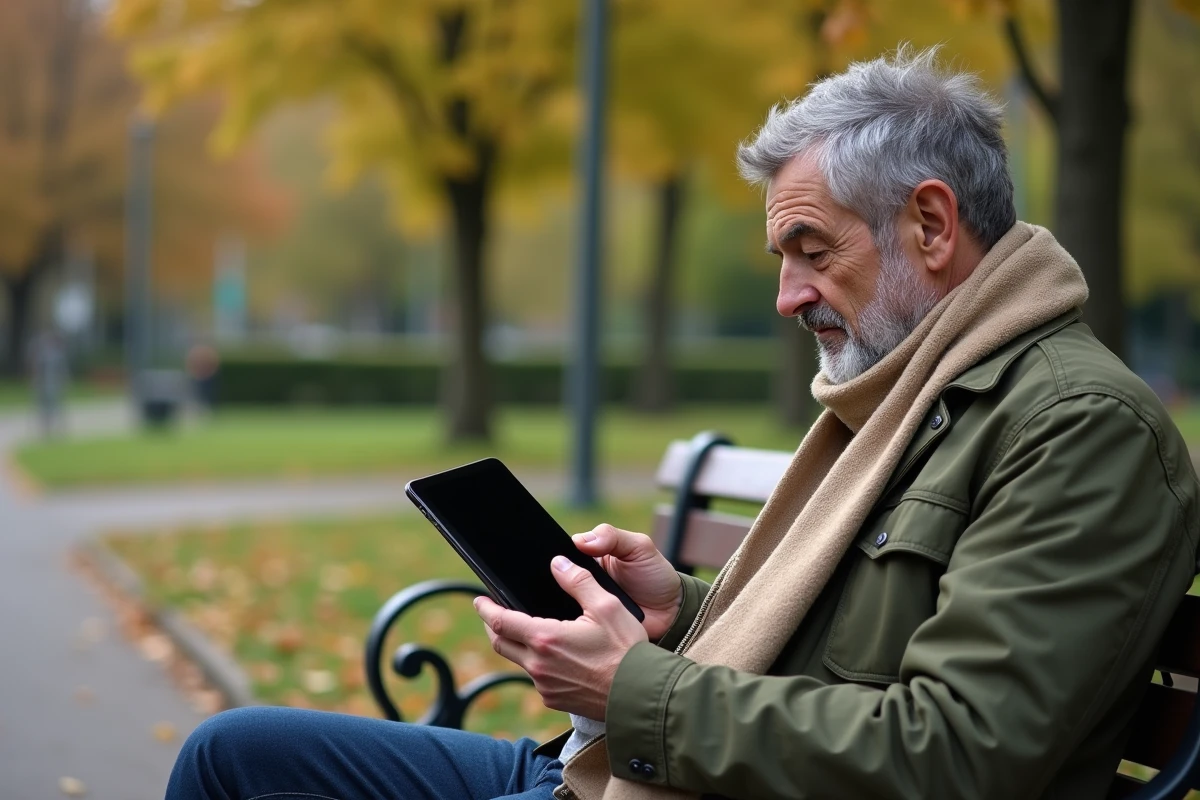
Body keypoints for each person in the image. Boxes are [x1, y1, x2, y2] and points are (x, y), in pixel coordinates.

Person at [165, 47, 1200, 800]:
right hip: (649, 767)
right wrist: (683, 613)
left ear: (930, 224)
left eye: (810, 247)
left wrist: (636, 688)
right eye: (781, 258)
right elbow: (844, 651)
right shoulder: (921, 389)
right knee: (235, 753)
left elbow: (961, 752)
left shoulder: (1076, 429)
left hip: (684, 770)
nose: (792, 296)